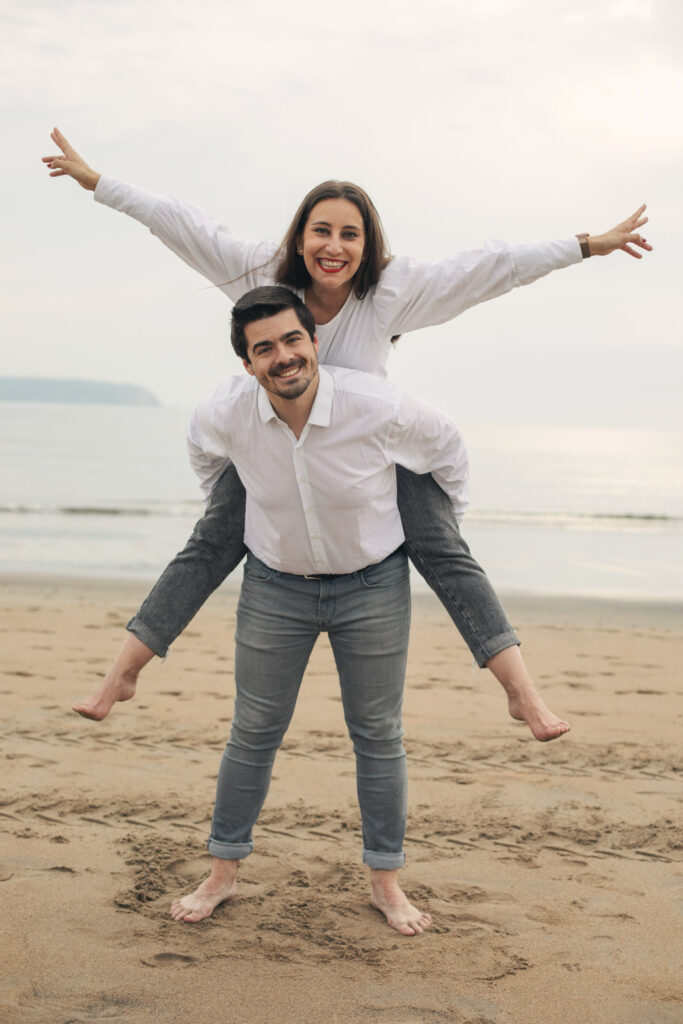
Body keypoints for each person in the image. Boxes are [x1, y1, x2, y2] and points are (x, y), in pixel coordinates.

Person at [43, 128, 650, 740]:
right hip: (277, 440)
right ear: (300, 238)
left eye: (350, 234)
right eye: (322, 231)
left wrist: (588, 245)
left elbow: (493, 267)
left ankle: (523, 696)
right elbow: (179, 223)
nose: (334, 246)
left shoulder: (392, 292)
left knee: (443, 547)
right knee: (211, 539)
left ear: (368, 244)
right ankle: (121, 675)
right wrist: (100, 183)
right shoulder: (260, 274)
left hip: (372, 448)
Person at [171, 285, 471, 935]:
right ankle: (222, 873)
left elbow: (447, 450)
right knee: (252, 731)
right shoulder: (227, 412)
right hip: (275, 585)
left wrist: (434, 525)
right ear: (247, 364)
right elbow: (204, 455)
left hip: (373, 584)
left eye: (292, 339)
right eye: (263, 348)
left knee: (377, 735)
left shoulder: (374, 405)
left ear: (313, 341)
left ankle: (385, 884)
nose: (281, 355)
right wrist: (240, 508)